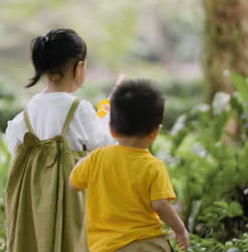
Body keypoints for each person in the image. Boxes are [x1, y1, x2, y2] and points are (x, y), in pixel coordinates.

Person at [4, 28, 115, 252]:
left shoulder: (29, 110)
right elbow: (104, 143)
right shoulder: (80, 109)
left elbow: (12, 142)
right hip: (71, 201)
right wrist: (108, 110)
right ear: (79, 66)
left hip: (34, 204)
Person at [69, 79, 190, 252]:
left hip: (104, 247)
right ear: (155, 131)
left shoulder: (97, 158)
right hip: (146, 243)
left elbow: (73, 183)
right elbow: (161, 205)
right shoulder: (153, 166)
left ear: (111, 129)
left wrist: (87, 157)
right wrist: (180, 229)